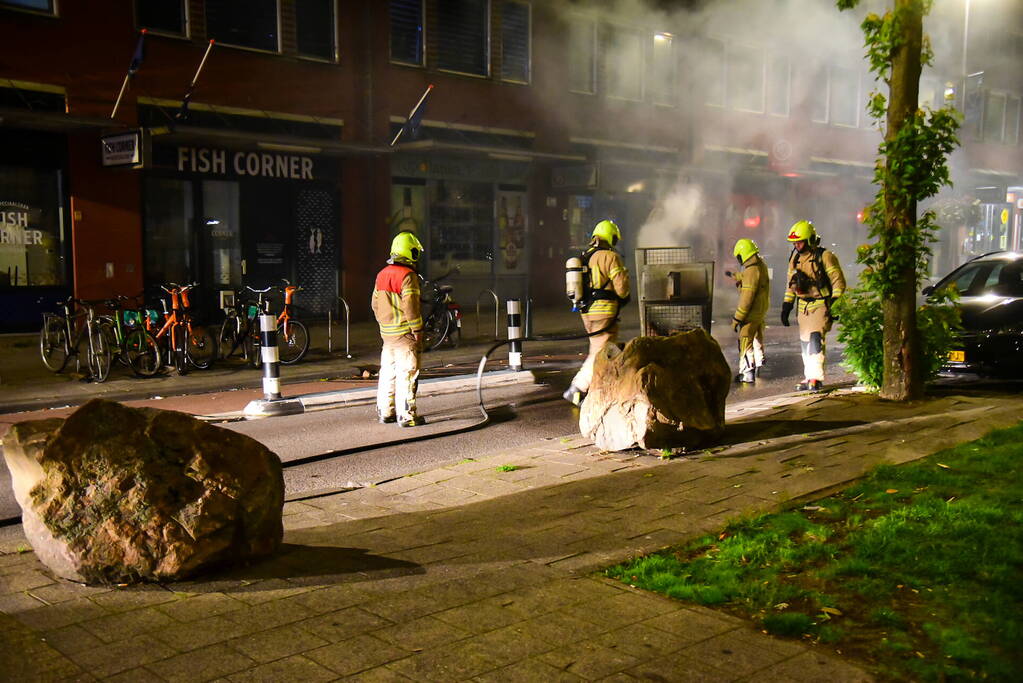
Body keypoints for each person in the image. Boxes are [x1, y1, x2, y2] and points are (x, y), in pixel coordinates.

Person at [563, 219, 631, 405]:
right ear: (610, 237)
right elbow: (622, 289)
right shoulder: (610, 257)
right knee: (599, 353)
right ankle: (576, 388)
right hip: (604, 312)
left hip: (587, 311)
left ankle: (604, 389)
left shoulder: (587, 256)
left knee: (607, 349)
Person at [780, 220, 846, 392]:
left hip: (820, 305)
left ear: (810, 240)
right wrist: (787, 305)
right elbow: (790, 284)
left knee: (815, 341)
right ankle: (809, 376)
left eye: (800, 241)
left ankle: (816, 377)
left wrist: (835, 302)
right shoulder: (794, 259)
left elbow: (838, 281)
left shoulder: (824, 256)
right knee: (804, 343)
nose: (797, 245)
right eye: (795, 242)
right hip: (803, 308)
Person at [372, 231, 426, 427]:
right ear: (410, 252)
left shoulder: (381, 275)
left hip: (387, 335)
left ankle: (386, 412)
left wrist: (384, 325)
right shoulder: (408, 276)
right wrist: (418, 330)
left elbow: (374, 304)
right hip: (405, 335)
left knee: (388, 373)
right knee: (407, 374)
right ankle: (407, 416)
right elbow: (411, 307)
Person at [731, 238, 770, 383]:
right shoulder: (761, 266)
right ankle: (759, 361)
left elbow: (746, 298)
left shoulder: (750, 271)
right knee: (756, 335)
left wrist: (737, 319)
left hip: (751, 312)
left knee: (745, 338)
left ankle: (747, 372)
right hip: (760, 310)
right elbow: (754, 284)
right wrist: (740, 278)